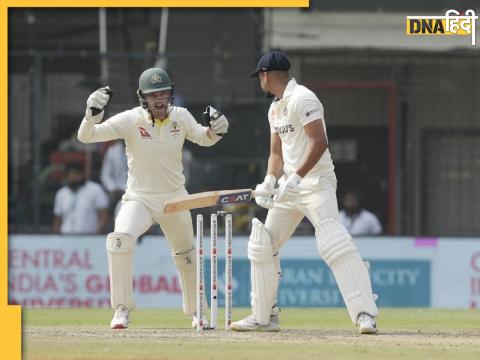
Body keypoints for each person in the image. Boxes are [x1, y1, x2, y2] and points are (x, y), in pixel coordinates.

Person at [230, 51, 378, 334]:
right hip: (289, 187)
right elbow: (276, 152)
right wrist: (270, 180)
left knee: (334, 242)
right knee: (263, 244)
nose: (259, 81)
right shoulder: (274, 108)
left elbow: (319, 142)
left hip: (316, 182)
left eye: (259, 76)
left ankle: (365, 314)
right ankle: (264, 317)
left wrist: (297, 177)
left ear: (266, 75)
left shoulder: (303, 98)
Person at [77, 67, 229, 329]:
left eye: (164, 94)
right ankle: (122, 309)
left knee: (186, 256)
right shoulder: (130, 119)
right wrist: (91, 117)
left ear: (170, 94)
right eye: (153, 95)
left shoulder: (180, 116)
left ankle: (197, 313)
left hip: (175, 200)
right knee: (119, 241)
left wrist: (216, 131)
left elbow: (203, 139)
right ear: (142, 98)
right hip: (140, 199)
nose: (159, 100)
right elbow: (86, 136)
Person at [53, 162, 109, 234]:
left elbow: (104, 216)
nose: (74, 176)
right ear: (66, 176)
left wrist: (96, 236)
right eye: (71, 174)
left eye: (76, 173)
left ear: (82, 174)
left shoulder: (95, 189)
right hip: (65, 239)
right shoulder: (61, 194)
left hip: (89, 238)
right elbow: (57, 221)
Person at [100, 140, 128, 216]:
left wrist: (125, 189)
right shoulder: (112, 151)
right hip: (115, 193)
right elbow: (105, 175)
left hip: (133, 191)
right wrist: (112, 189)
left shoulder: (140, 151)